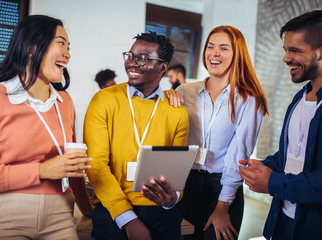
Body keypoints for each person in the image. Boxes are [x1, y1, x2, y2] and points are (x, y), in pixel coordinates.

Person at [0, 15, 93, 239]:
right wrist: (42, 170)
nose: (68, 54)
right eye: (61, 43)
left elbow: (73, 168)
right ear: (32, 47)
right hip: (7, 217)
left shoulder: (65, 102)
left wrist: (90, 211)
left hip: (61, 215)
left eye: (69, 47)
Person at [165, 25, 268, 240]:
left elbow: (238, 153)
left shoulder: (249, 99)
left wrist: (222, 206)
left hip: (222, 187)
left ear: (237, 54)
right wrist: (164, 98)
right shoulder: (185, 91)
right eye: (210, 46)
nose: (215, 53)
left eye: (224, 48)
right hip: (186, 183)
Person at [84, 32, 189, 240]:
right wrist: (127, 218)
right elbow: (96, 166)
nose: (132, 63)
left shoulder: (176, 110)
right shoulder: (103, 101)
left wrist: (172, 199)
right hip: (113, 209)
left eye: (143, 58)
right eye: (130, 55)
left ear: (163, 67)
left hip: (162, 211)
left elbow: (177, 171)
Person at [239, 10, 322, 240]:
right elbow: (294, 154)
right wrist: (266, 166)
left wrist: (273, 182)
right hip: (281, 221)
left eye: (295, 50)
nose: (286, 58)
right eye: (286, 50)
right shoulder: (299, 99)